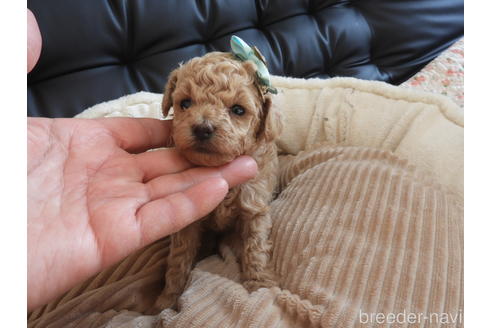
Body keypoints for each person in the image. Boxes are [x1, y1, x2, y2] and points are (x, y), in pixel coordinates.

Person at [27, 10, 258, 311]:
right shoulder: (173, 165)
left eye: (237, 110)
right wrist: (171, 291)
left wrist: (258, 279)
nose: (204, 123)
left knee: (254, 216)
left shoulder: (260, 161)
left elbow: (256, 220)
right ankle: (174, 288)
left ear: (263, 122)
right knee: (183, 226)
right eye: (186, 103)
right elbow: (182, 229)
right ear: (169, 103)